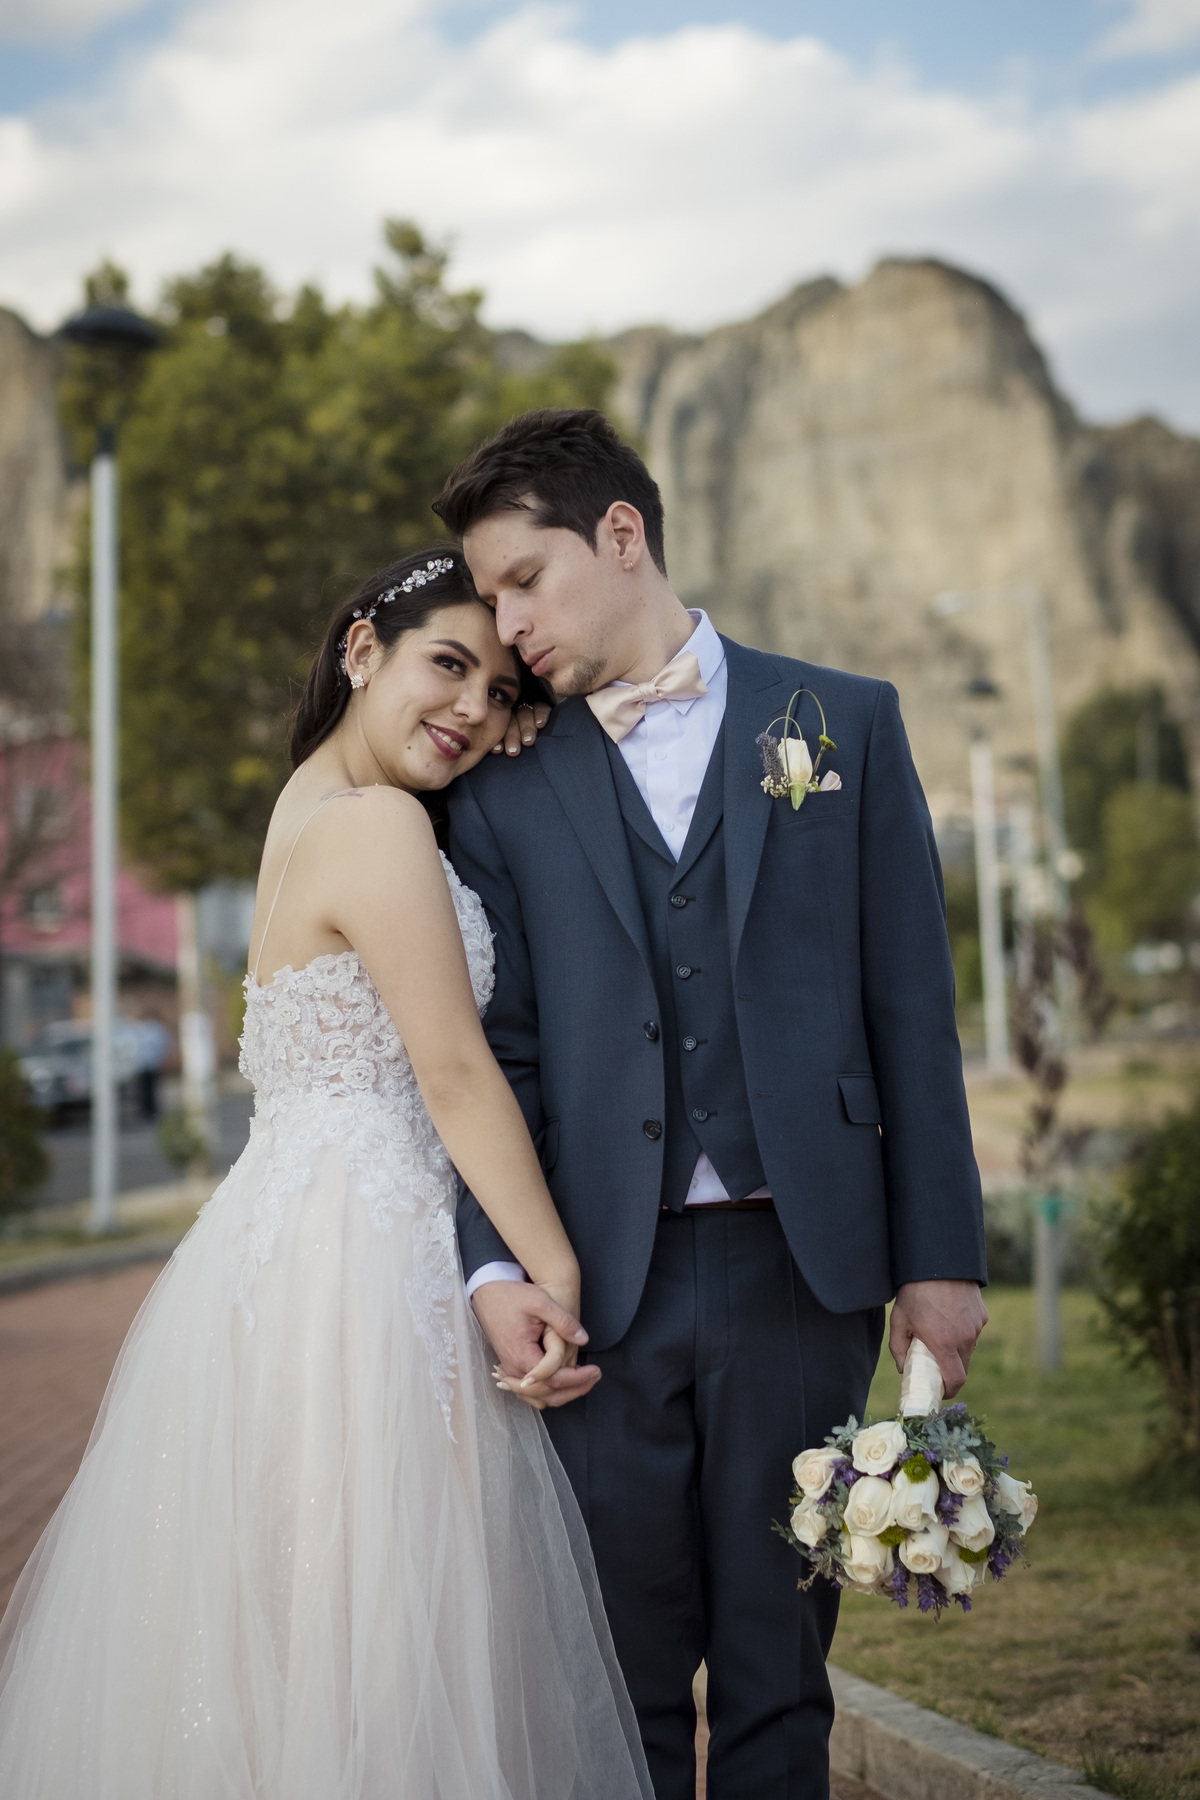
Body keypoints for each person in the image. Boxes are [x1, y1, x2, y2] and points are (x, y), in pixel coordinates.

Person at [0, 551, 652, 1800]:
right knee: (379, 1629)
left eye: (499, 686)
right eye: (445, 666)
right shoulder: (376, 825)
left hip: (288, 1246)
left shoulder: (307, 809)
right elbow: (456, 1074)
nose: (469, 708)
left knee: (306, 1630)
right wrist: (554, 1272)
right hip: (365, 1262)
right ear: (363, 651)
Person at [436, 409, 990, 1800]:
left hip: (800, 1275)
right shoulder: (504, 781)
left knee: (775, 1671)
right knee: (610, 1670)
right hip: (595, 1290)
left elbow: (912, 1013)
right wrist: (494, 1265)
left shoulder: (843, 722)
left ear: (621, 534)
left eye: (523, 580)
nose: (505, 625)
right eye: (488, 594)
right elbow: (489, 1057)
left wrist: (942, 1263)